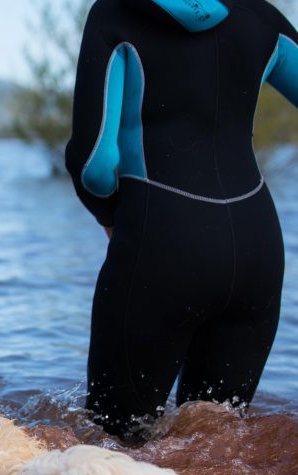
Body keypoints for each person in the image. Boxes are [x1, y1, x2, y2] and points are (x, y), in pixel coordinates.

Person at [65, 0, 298, 439]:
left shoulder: (115, 13)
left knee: (115, 443)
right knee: (217, 440)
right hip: (257, 244)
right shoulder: (260, 16)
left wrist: (109, 216)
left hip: (161, 238)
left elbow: (95, 161)